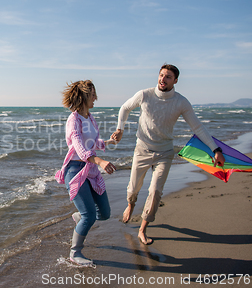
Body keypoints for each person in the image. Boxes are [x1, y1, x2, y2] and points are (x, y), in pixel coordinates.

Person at [112, 64, 225, 245]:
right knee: (133, 188)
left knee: (155, 191)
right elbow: (125, 108)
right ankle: (131, 205)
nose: (163, 79)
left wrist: (216, 150)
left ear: (176, 81)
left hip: (164, 152)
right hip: (142, 149)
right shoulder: (144, 95)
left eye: (168, 77)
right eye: (161, 75)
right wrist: (120, 129)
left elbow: (198, 127)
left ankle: (143, 229)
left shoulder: (181, 102)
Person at [55, 80, 117, 266]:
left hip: (90, 171)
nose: (96, 98)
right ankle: (75, 253)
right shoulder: (73, 120)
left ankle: (80, 217)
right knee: (90, 215)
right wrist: (99, 160)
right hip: (75, 171)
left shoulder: (89, 118)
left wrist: (108, 142)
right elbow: (80, 149)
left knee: (104, 213)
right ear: (83, 97)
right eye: (92, 95)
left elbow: (92, 143)